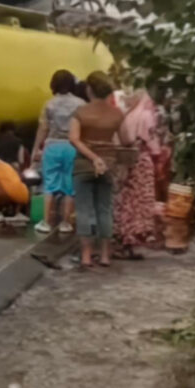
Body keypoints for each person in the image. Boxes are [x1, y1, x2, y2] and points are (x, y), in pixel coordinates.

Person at [69, 71, 125, 269]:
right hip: (109, 165)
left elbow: (74, 139)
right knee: (105, 209)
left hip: (84, 165)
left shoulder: (80, 112)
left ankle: (86, 256)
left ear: (89, 89)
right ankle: (105, 256)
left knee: (84, 209)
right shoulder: (117, 114)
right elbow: (126, 140)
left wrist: (93, 157)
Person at [31, 69, 85, 234]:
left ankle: (46, 222)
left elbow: (43, 128)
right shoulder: (81, 104)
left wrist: (36, 149)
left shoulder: (49, 104)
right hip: (72, 146)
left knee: (50, 184)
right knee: (70, 185)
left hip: (52, 146)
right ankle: (65, 223)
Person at [114, 90, 160, 259]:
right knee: (140, 203)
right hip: (142, 161)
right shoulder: (147, 115)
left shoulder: (128, 115)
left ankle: (125, 239)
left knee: (128, 201)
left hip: (128, 161)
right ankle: (134, 240)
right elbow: (151, 141)